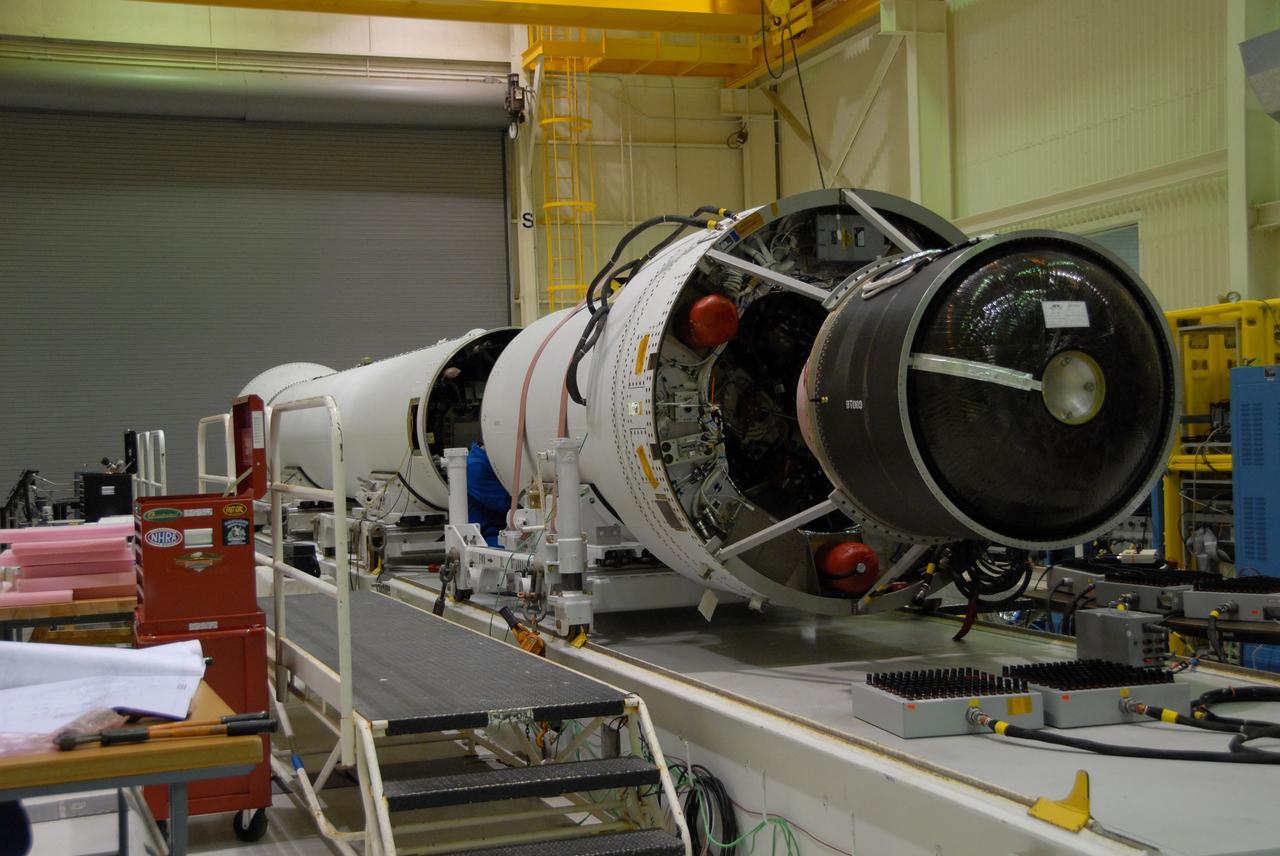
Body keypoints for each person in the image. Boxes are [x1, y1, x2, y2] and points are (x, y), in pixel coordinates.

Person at [466, 442, 510, 547]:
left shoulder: (492, 462)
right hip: (489, 534)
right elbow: (506, 504)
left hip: (505, 528)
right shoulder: (476, 467)